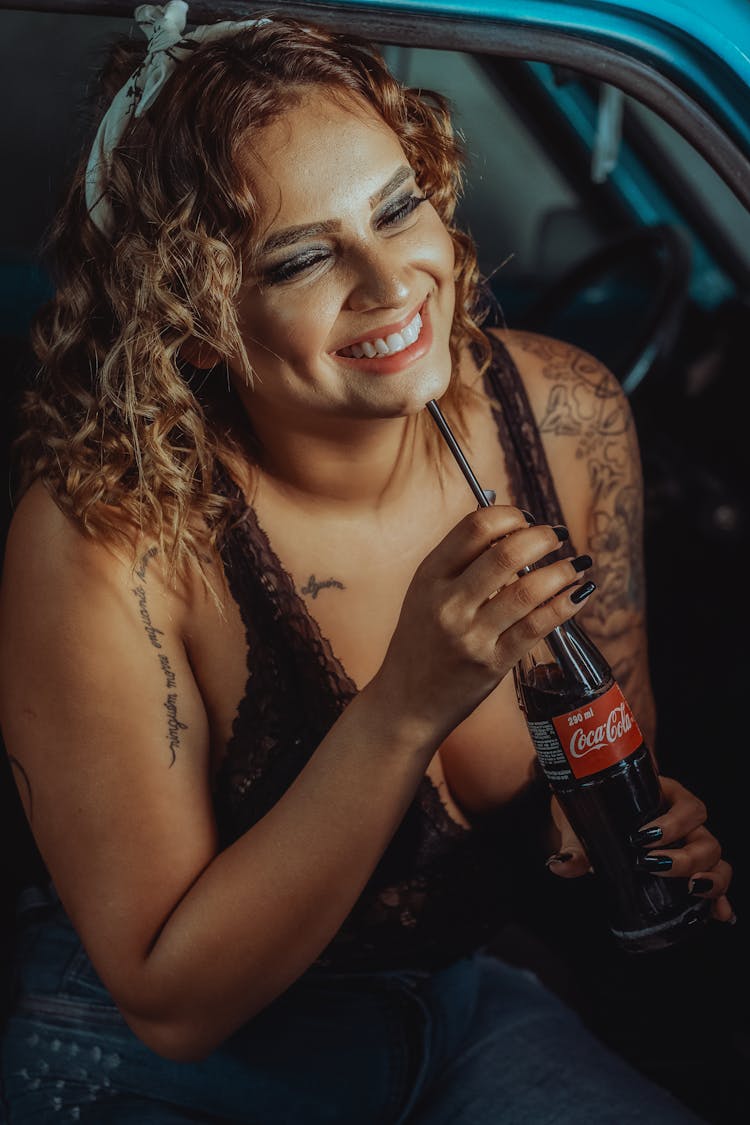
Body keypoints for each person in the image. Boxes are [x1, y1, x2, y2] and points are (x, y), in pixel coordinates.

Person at [0, 4, 733, 1122]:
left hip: (463, 1002)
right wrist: (404, 706)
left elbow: (591, 787)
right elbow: (171, 1003)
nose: (393, 285)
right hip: (168, 1063)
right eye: (303, 257)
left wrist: (633, 831)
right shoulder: (110, 534)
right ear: (194, 322)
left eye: (399, 210)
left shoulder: (568, 412)